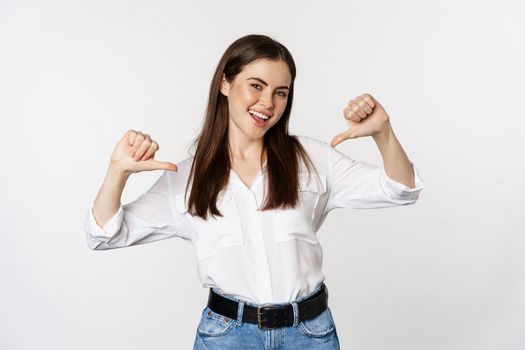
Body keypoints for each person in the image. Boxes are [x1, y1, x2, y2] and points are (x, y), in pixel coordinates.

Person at [84, 34, 424, 349]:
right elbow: (103, 235)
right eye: (256, 86)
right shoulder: (187, 178)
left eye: (281, 92)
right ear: (225, 83)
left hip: (309, 335)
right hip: (226, 337)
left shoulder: (313, 159)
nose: (268, 103)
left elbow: (401, 189)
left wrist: (383, 132)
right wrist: (118, 172)